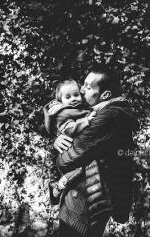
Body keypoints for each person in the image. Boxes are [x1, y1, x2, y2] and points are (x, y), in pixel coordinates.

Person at [52, 66, 139, 237]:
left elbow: (66, 160)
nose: (82, 91)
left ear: (105, 95)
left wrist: (60, 152)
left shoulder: (108, 117)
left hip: (86, 203)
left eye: (89, 87)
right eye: (83, 85)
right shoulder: (102, 112)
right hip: (87, 199)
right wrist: (59, 137)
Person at [43, 79, 97, 205]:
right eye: (68, 97)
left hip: (81, 149)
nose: (73, 99)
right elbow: (69, 129)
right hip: (71, 149)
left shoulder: (82, 108)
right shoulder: (63, 113)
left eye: (76, 95)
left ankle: (59, 187)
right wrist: (86, 121)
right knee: (78, 169)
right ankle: (57, 186)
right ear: (60, 101)